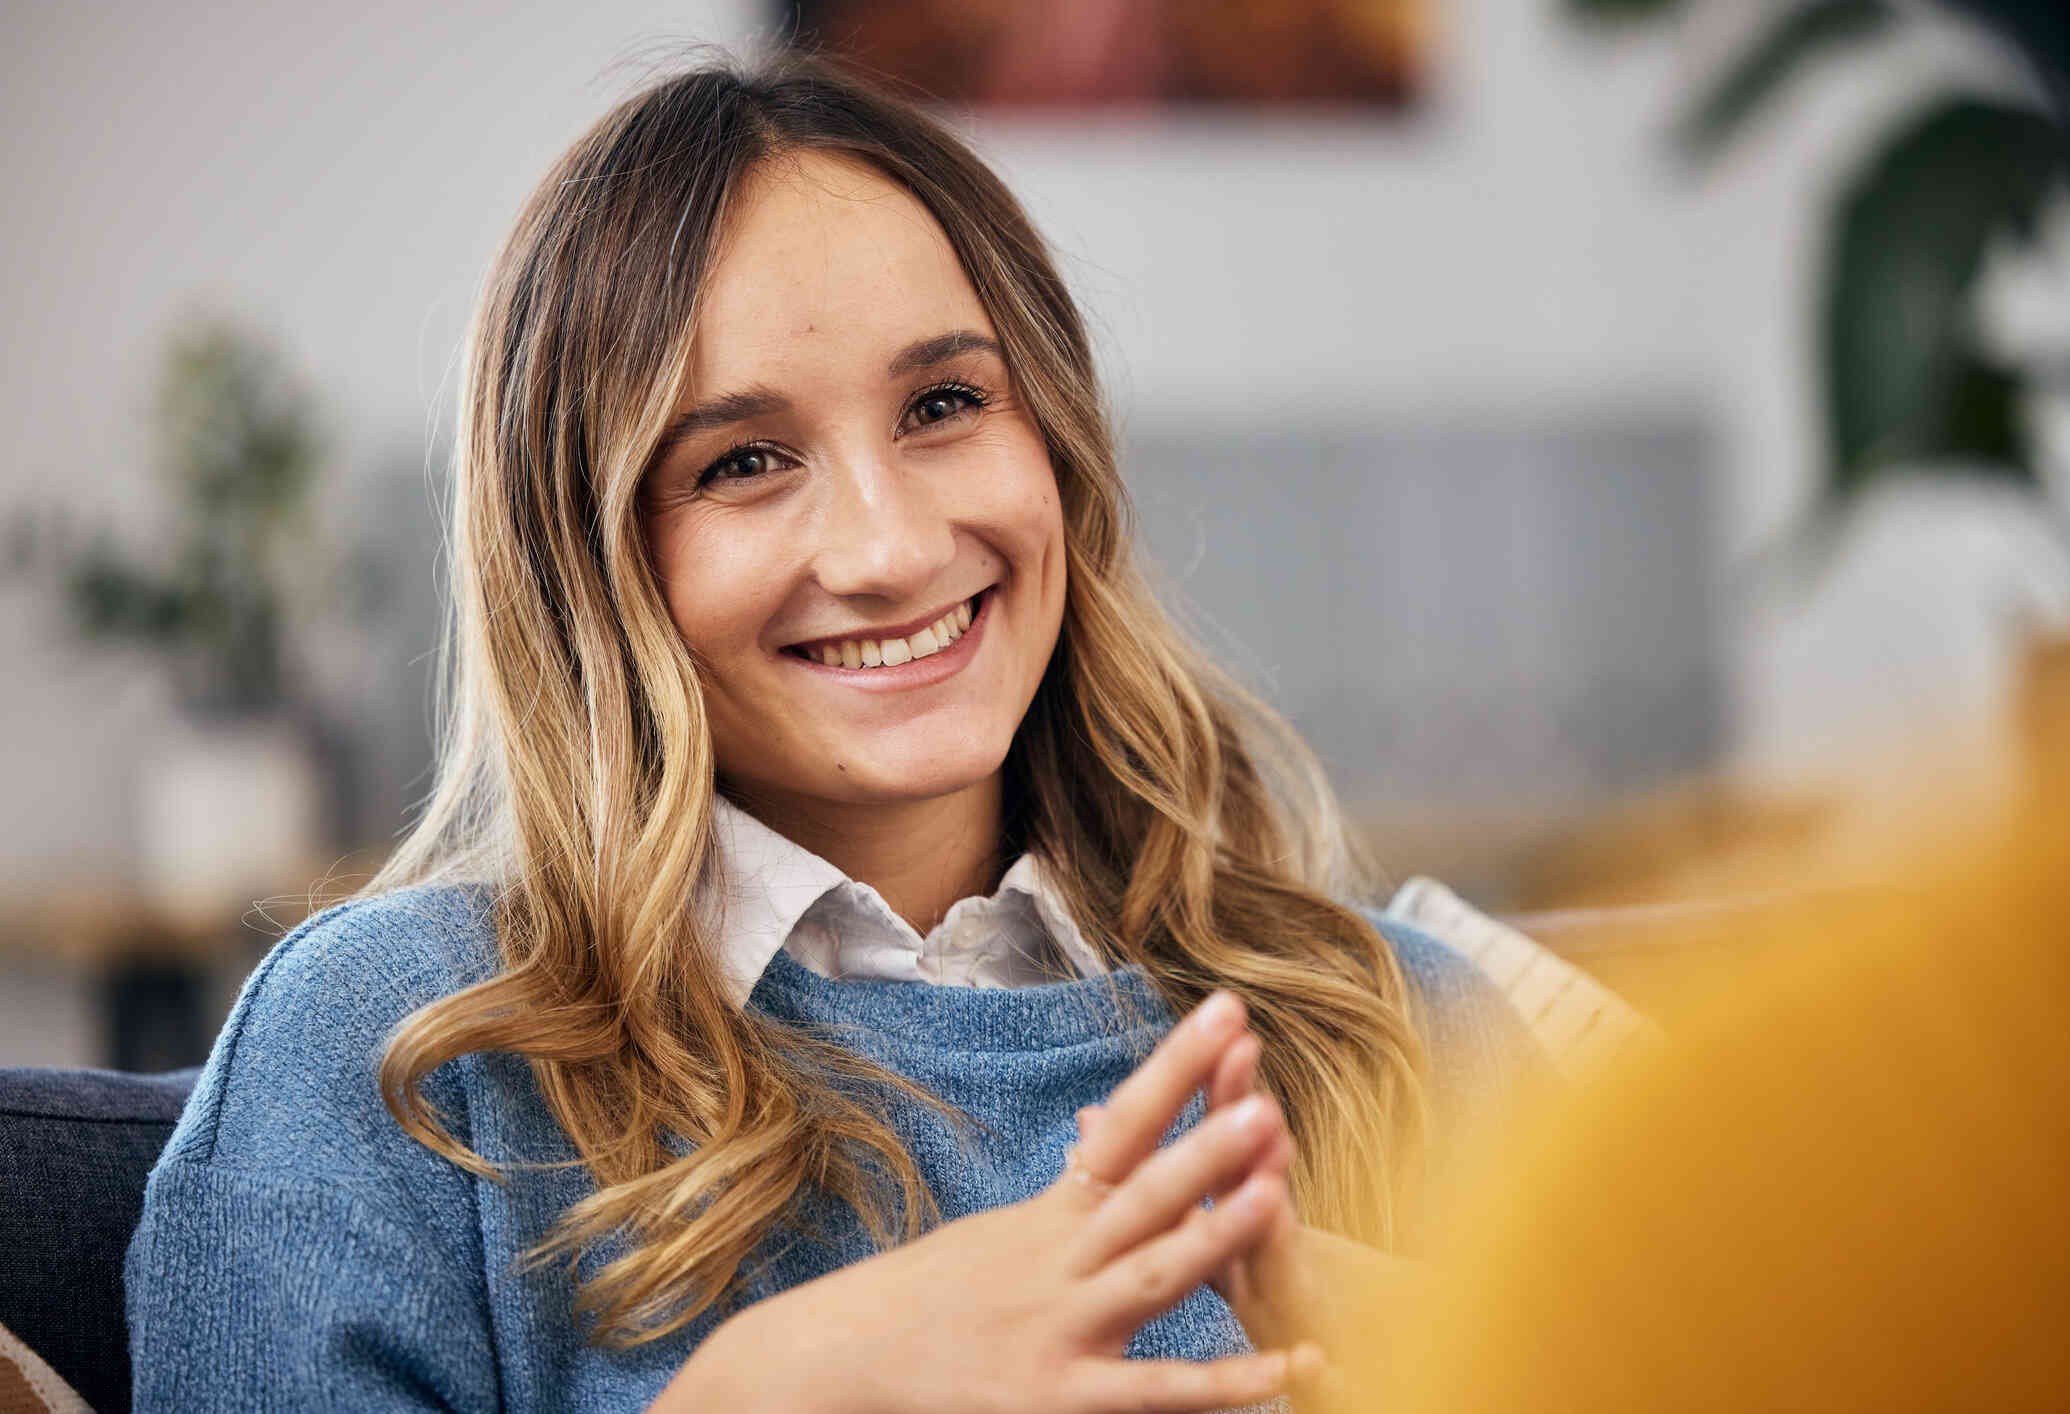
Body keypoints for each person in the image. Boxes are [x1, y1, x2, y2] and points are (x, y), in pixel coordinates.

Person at [125, 54, 1543, 1413]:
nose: (886, 544)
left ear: (1054, 438)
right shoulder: (398, 1059)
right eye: (744, 461)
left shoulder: (1409, 1033)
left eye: (943, 404)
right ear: (588, 557)